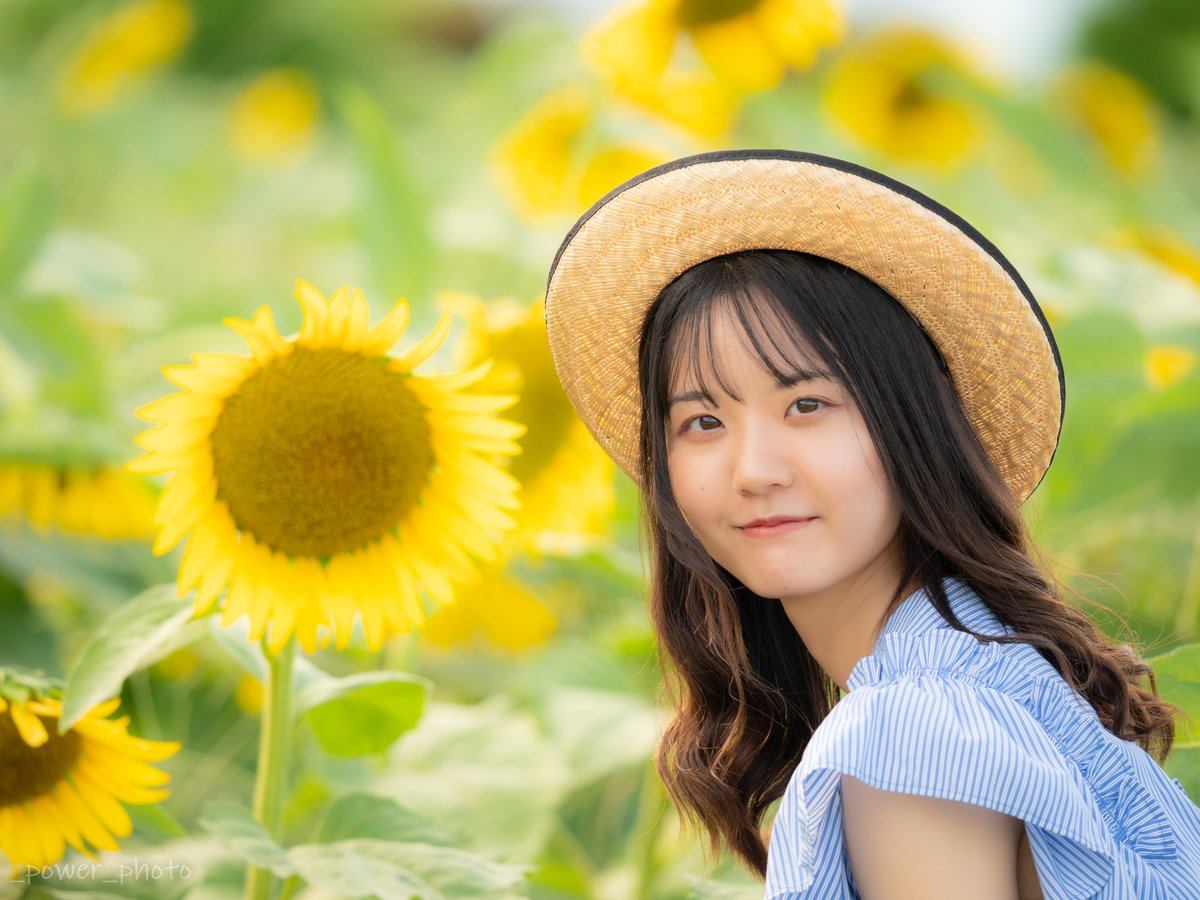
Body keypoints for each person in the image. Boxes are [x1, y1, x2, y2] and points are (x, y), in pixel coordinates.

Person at [543, 150, 1200, 898]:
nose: (753, 470)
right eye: (701, 420)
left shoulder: (911, 730)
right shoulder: (986, 677)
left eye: (807, 405)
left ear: (910, 425)